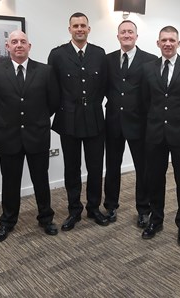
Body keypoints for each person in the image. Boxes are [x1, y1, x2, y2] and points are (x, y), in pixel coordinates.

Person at [0, 30, 60, 242]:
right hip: (8, 137)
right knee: (10, 183)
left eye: (23, 42)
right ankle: (7, 222)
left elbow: (53, 101)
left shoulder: (45, 71)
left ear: (29, 46)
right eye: (14, 42)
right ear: (7, 47)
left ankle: (46, 218)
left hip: (38, 135)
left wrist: (38, 119)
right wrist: (7, 119)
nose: (19, 45)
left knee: (41, 180)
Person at [140, 26, 180, 246]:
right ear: (158, 43)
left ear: (178, 43)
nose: (168, 44)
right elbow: (145, 100)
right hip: (155, 133)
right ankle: (155, 220)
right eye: (164, 40)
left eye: (172, 40)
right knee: (154, 179)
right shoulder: (147, 68)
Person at [47, 12, 109, 231]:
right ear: (69, 29)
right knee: (71, 168)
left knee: (95, 167)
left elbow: (103, 85)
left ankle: (94, 208)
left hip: (93, 117)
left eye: (83, 25)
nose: (80, 29)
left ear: (89, 29)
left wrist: (92, 103)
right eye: (76, 26)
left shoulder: (100, 54)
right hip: (68, 118)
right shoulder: (57, 55)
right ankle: (74, 210)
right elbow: (52, 88)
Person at [103, 20, 157, 227]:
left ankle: (144, 209)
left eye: (130, 32)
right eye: (123, 32)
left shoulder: (150, 60)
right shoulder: (107, 60)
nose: (126, 35)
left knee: (142, 168)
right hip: (114, 122)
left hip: (139, 123)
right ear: (118, 36)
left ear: (136, 36)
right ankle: (110, 206)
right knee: (112, 167)